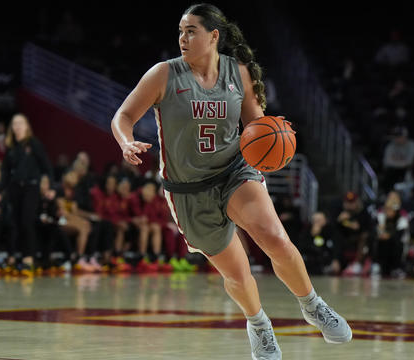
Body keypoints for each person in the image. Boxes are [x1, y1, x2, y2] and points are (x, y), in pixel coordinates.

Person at [110, 4, 351, 358]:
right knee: (238, 275)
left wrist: (274, 140)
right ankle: (259, 325)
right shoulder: (163, 75)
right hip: (189, 191)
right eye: (180, 30)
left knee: (274, 238)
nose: (182, 37)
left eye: (191, 30)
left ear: (214, 36)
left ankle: (312, 305)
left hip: (234, 171)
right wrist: (125, 140)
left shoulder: (238, 74)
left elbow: (257, 127)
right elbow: (124, 115)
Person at [0, 113, 54, 276]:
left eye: (20, 123)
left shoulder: (34, 144)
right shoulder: (10, 146)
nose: (17, 126)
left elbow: (46, 166)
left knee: (27, 221)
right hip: (15, 188)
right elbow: (5, 171)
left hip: (31, 187)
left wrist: (50, 187)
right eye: (14, 123)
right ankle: (15, 256)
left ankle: (28, 258)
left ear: (26, 126)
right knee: (14, 223)